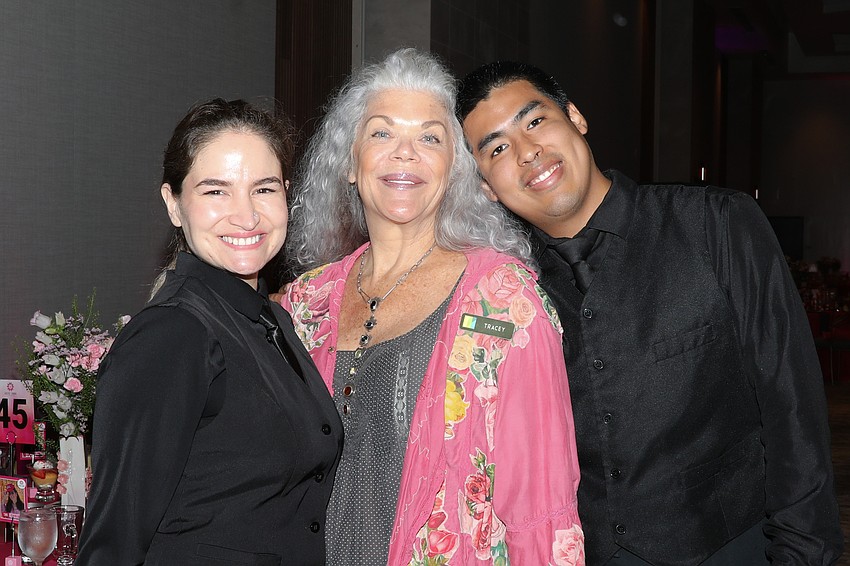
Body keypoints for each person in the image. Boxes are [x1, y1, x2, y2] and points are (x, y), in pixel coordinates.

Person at [457, 61, 844, 565]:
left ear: (575, 118)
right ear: (487, 185)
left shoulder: (716, 226)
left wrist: (802, 553)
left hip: (735, 544)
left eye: (535, 122)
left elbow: (792, 403)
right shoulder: (507, 290)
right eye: (498, 148)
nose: (528, 152)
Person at [278, 48, 584, 565]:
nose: (405, 153)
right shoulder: (303, 305)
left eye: (429, 137)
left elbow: (543, 512)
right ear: (350, 162)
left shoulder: (507, 304)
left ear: (456, 170)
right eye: (381, 133)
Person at [76, 99, 343, 565]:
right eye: (216, 191)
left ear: (286, 194)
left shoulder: (270, 319)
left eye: (263, 190)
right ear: (173, 204)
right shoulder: (173, 333)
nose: (246, 216)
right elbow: (113, 542)